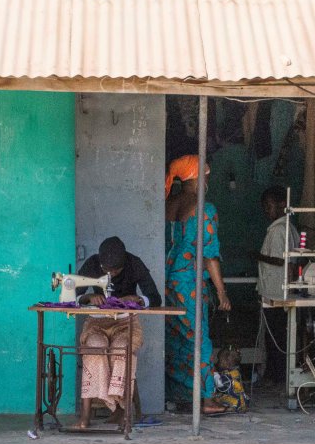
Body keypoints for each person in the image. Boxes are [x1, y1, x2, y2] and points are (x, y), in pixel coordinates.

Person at [164, 154, 232, 414]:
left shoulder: (169, 204)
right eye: (206, 175)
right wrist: (222, 292)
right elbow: (209, 255)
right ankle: (206, 399)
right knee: (199, 340)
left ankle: (181, 394)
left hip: (168, 281)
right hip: (189, 283)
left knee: (177, 339)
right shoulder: (205, 209)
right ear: (198, 177)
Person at [74, 236, 162, 429]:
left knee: (121, 349)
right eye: (106, 270)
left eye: (115, 271)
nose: (111, 275)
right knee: (94, 347)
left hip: (126, 323)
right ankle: (85, 416)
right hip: (97, 323)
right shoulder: (92, 264)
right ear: (100, 263)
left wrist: (138, 299)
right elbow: (73, 296)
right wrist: (89, 297)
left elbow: (155, 298)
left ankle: (122, 410)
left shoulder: (135, 264)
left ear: (124, 263)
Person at [250, 185, 297, 384]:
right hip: (279, 290)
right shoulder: (287, 227)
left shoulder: (278, 230)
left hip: (276, 292)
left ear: (282, 205)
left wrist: (257, 256)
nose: (267, 211)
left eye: (269, 206)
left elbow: (279, 260)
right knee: (278, 335)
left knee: (275, 337)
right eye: (265, 208)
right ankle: (276, 374)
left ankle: (276, 376)